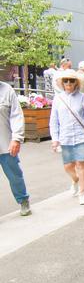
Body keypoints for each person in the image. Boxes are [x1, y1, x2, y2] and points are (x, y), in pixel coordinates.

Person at [50, 69, 84, 205]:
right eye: (66, 80)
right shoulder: (58, 99)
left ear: (76, 82)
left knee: (80, 164)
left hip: (82, 136)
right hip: (65, 137)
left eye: (71, 80)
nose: (68, 83)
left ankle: (82, 192)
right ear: (62, 83)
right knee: (68, 166)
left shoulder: (83, 98)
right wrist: (55, 139)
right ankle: (76, 180)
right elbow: (54, 121)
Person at [0, 81, 31, 216]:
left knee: (14, 176)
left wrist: (16, 138)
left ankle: (23, 199)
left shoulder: (6, 90)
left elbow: (16, 115)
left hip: (6, 143)